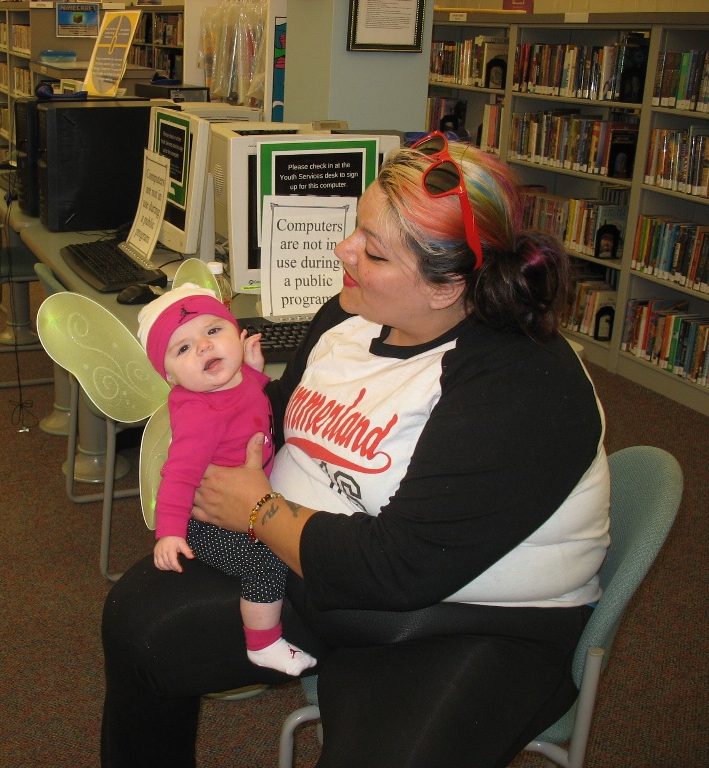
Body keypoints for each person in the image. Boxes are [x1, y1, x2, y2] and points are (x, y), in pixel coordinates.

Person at [101, 132, 611, 768]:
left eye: (372, 250)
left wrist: (257, 508)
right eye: (356, 229)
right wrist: (220, 414)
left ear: (446, 286)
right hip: (308, 570)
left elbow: (401, 567)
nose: (343, 251)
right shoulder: (351, 315)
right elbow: (281, 414)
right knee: (139, 623)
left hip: (461, 623)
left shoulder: (521, 387)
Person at [136, 283, 316, 676]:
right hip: (207, 524)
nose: (203, 346)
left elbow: (251, 399)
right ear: (170, 376)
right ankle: (263, 643)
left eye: (214, 331)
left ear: (236, 333)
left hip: (243, 499)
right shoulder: (199, 412)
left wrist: (252, 369)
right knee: (268, 557)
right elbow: (179, 475)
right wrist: (169, 532)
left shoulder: (237, 379)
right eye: (183, 348)